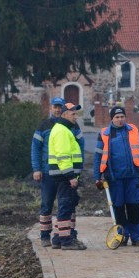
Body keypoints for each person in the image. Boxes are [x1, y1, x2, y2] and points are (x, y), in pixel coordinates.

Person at [31, 97, 84, 248]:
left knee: (67, 205)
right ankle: (49, 237)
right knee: (51, 204)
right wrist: (37, 169)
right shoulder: (49, 127)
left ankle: (64, 235)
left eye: (60, 106)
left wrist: (77, 170)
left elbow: (79, 145)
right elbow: (38, 149)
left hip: (64, 172)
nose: (58, 109)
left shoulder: (70, 127)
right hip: (55, 172)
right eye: (56, 107)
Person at [94, 105, 139, 247]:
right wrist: (97, 176)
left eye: (122, 117)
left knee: (134, 207)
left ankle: (136, 237)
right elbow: (98, 157)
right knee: (118, 208)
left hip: (132, 177)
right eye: (117, 117)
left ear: (125, 117)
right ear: (112, 119)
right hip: (114, 178)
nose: (120, 120)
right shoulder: (104, 134)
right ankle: (122, 235)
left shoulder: (134, 131)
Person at [48, 103, 85, 250]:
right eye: (73, 114)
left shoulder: (63, 129)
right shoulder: (62, 131)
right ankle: (66, 241)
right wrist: (71, 176)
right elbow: (63, 156)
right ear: (64, 115)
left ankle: (58, 238)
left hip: (63, 175)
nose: (76, 117)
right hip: (64, 176)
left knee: (67, 204)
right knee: (65, 206)